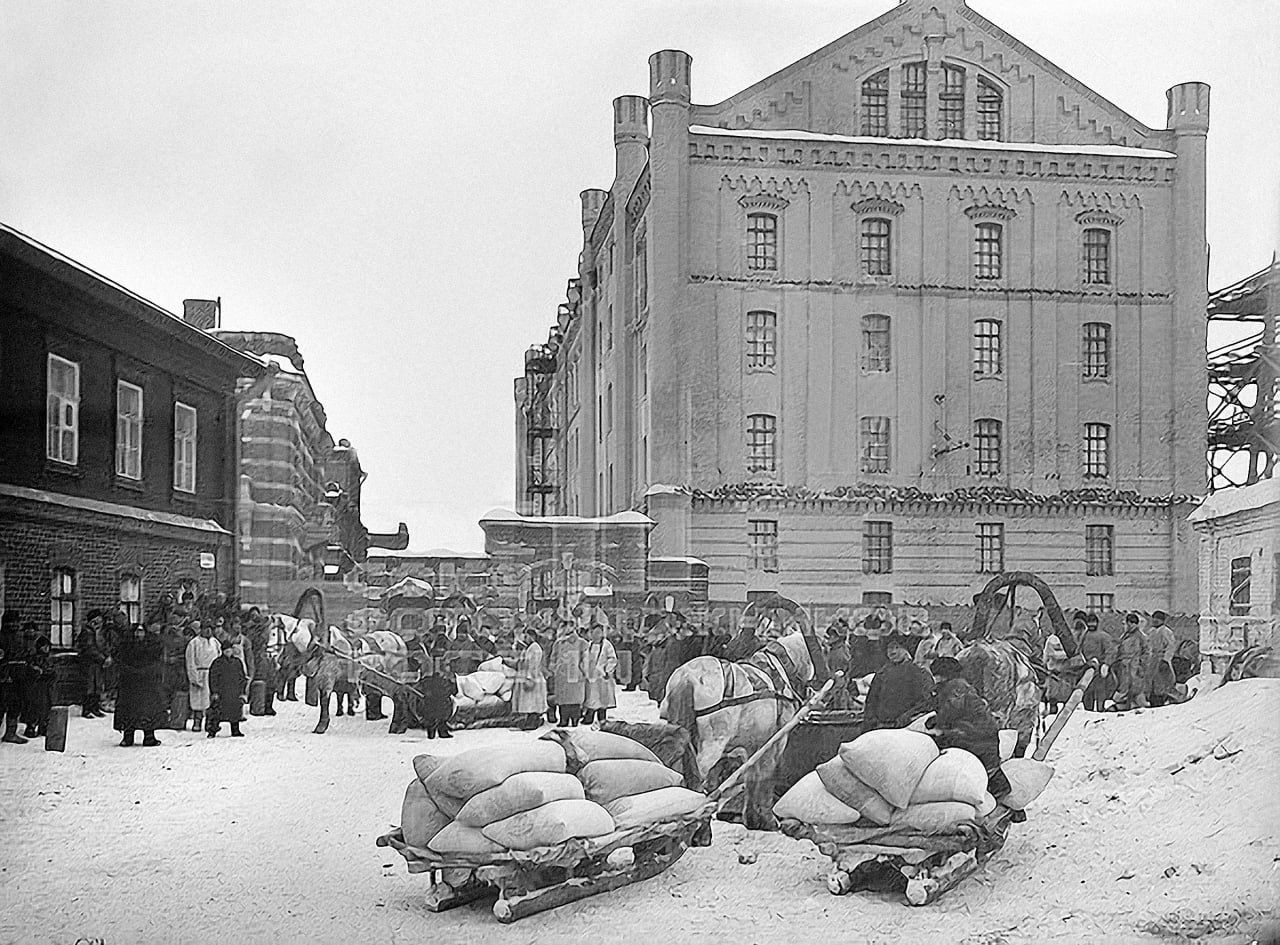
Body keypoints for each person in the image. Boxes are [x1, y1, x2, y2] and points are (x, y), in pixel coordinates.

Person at [927, 656, 1012, 802]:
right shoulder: (956, 686)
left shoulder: (956, 686)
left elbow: (953, 708)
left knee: (944, 744)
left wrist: (937, 720)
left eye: (936, 674)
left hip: (975, 733)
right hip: (982, 733)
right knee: (987, 767)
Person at [863, 634, 935, 729]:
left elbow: (926, 703)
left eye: (897, 647)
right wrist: (871, 723)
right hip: (882, 727)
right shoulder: (881, 674)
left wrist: (906, 718)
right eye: (889, 648)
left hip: (909, 727)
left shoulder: (920, 673)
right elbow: (871, 701)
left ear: (906, 650)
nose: (892, 652)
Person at [114, 623, 165, 747]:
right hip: (129, 684)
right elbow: (120, 662)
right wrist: (131, 671)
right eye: (136, 632)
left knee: (147, 710)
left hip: (146, 684)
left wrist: (145, 672)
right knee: (128, 710)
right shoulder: (126, 647)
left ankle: (149, 737)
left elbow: (156, 663)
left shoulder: (152, 648)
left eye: (141, 631)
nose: (138, 634)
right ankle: (128, 737)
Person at [506, 626, 548, 730]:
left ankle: (533, 721)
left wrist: (529, 677)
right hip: (526, 675)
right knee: (529, 701)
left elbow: (533, 664)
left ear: (532, 636)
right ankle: (532, 720)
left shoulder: (535, 648)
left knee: (532, 701)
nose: (525, 638)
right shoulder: (528, 648)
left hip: (533, 677)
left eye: (527, 636)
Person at [207, 638, 247, 738]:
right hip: (222, 692)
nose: (228, 652)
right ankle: (212, 730)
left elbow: (241, 677)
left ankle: (235, 730)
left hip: (234, 692)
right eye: (226, 650)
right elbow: (213, 678)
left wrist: (242, 691)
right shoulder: (217, 663)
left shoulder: (237, 662)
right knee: (217, 713)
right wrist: (214, 692)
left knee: (235, 712)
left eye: (229, 650)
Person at [550, 623, 588, 726]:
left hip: (575, 675)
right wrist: (555, 669)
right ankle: (564, 719)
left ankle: (574, 718)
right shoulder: (558, 643)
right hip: (562, 676)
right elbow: (553, 658)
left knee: (574, 699)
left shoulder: (582, 643)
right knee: (563, 699)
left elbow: (586, 659)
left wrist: (583, 672)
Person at [185, 621, 220, 733]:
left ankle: (209, 723)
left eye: (210, 628)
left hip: (212, 673)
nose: (208, 631)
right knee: (198, 700)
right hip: (200, 672)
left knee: (211, 700)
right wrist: (194, 677)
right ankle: (197, 722)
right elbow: (190, 661)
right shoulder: (194, 643)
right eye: (206, 628)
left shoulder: (215, 642)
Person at [1, 611, 30, 744]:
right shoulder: (1, 638)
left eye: (16, 622)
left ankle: (11, 733)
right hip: (4, 677)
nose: (14, 625)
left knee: (15, 705)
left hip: (19, 676)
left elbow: (25, 655)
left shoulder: (20, 638)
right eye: (10, 622)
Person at [21, 625, 55, 739]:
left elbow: (52, 672)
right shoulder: (35, 658)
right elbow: (30, 670)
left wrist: (48, 673)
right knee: (34, 707)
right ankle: (31, 726)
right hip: (36, 687)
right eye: (44, 647)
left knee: (45, 707)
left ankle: (43, 726)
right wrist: (37, 671)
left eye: (47, 647)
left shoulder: (48, 659)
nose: (46, 649)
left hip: (45, 687)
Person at [1078, 612, 1116, 712]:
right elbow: (1080, 650)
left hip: (1099, 669)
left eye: (1093, 622)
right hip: (1087, 668)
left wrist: (1106, 664)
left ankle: (1100, 709)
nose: (1091, 625)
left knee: (1100, 690)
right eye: (1089, 622)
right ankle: (1088, 710)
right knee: (1087, 691)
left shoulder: (1104, 636)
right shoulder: (1084, 635)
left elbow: (1110, 651)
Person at [581, 624, 618, 726]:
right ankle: (589, 716)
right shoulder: (589, 645)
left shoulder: (607, 645)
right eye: (594, 632)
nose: (596, 635)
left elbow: (612, 659)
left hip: (602, 676)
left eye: (598, 632)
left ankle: (601, 717)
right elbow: (584, 659)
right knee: (591, 697)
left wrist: (607, 670)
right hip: (591, 675)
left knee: (602, 699)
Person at [1112, 613, 1150, 712]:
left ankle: (1138, 705)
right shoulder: (1124, 636)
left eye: (1131, 624)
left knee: (1136, 687)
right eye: (1127, 624)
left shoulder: (1141, 636)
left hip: (1135, 665)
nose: (1128, 626)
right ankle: (1124, 704)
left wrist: (1141, 665)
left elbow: (1146, 652)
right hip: (1124, 665)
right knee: (1124, 686)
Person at [77, 610, 110, 718]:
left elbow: (102, 646)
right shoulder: (87, 632)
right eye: (97, 620)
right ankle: (86, 709)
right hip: (89, 663)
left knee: (97, 686)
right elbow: (89, 649)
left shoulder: (98, 632)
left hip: (97, 664)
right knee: (89, 686)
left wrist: (107, 656)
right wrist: (102, 658)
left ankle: (95, 708)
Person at [161, 617, 191, 730]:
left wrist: (176, 659)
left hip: (180, 672)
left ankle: (178, 721)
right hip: (167, 673)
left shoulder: (184, 642)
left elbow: (187, 656)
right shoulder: (164, 640)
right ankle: (166, 719)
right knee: (166, 697)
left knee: (180, 696)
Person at [1145, 611, 1178, 708]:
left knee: (1163, 681)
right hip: (1152, 659)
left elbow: (1171, 646)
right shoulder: (1151, 631)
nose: (1155, 620)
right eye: (1154, 618)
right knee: (1151, 681)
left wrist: (1166, 659)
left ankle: (1163, 699)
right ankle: (1152, 699)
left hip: (1162, 659)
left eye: (1158, 618)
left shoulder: (1165, 631)